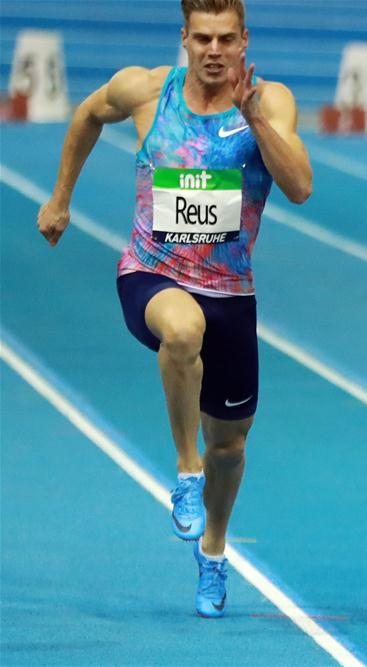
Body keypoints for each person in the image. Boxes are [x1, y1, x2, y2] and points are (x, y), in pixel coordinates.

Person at [37, 0, 312, 618]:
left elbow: (299, 186)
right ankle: (184, 472)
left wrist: (255, 121)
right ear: (184, 39)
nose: (214, 50)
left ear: (245, 41)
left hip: (231, 296)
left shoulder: (271, 102)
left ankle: (213, 551)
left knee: (231, 449)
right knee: (181, 330)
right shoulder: (145, 92)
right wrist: (60, 199)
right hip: (150, 276)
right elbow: (85, 115)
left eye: (226, 39)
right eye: (202, 38)